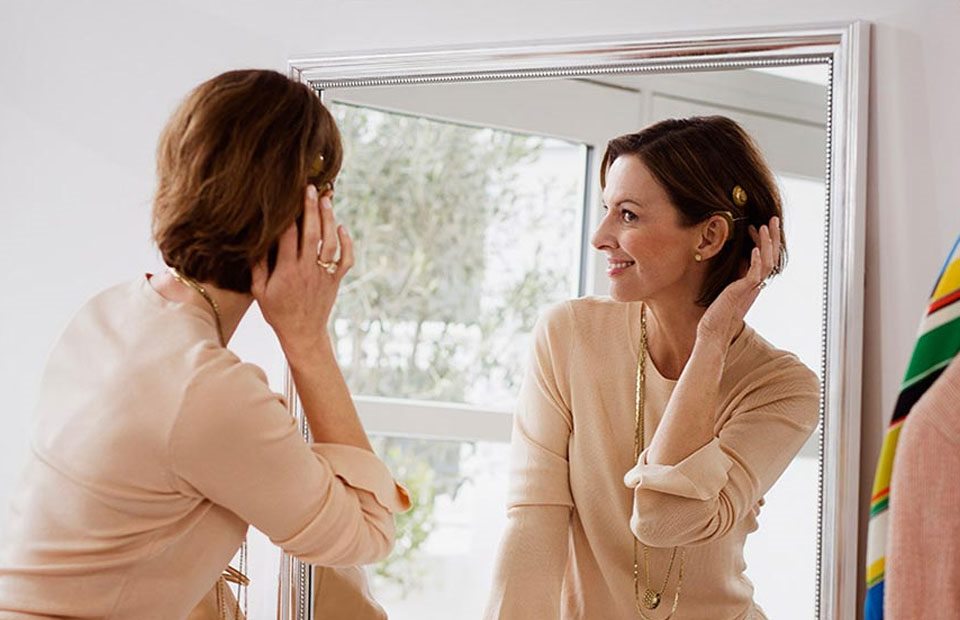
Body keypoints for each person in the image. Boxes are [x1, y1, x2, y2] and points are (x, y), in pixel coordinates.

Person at [0, 69, 409, 619]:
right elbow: (367, 529)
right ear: (306, 214)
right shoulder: (207, 390)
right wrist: (307, 339)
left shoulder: (113, 311)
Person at [484, 116, 820, 620]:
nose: (600, 236)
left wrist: (711, 341)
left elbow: (664, 521)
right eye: (605, 210)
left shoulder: (780, 389)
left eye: (628, 215)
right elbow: (533, 523)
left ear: (708, 237)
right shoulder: (568, 335)